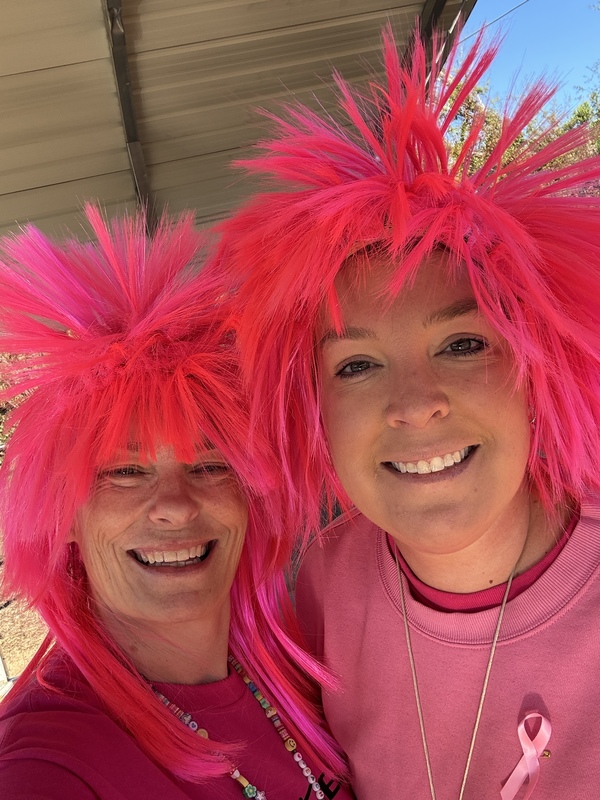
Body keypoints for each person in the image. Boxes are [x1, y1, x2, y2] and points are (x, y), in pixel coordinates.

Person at [212, 25, 600, 800]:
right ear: (314, 409)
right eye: (356, 364)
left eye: (462, 344)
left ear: (539, 367)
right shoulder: (323, 583)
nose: (415, 405)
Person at [0, 206, 352, 800]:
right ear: (63, 515)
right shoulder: (49, 761)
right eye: (125, 471)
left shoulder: (295, 671)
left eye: (212, 465)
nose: (176, 506)